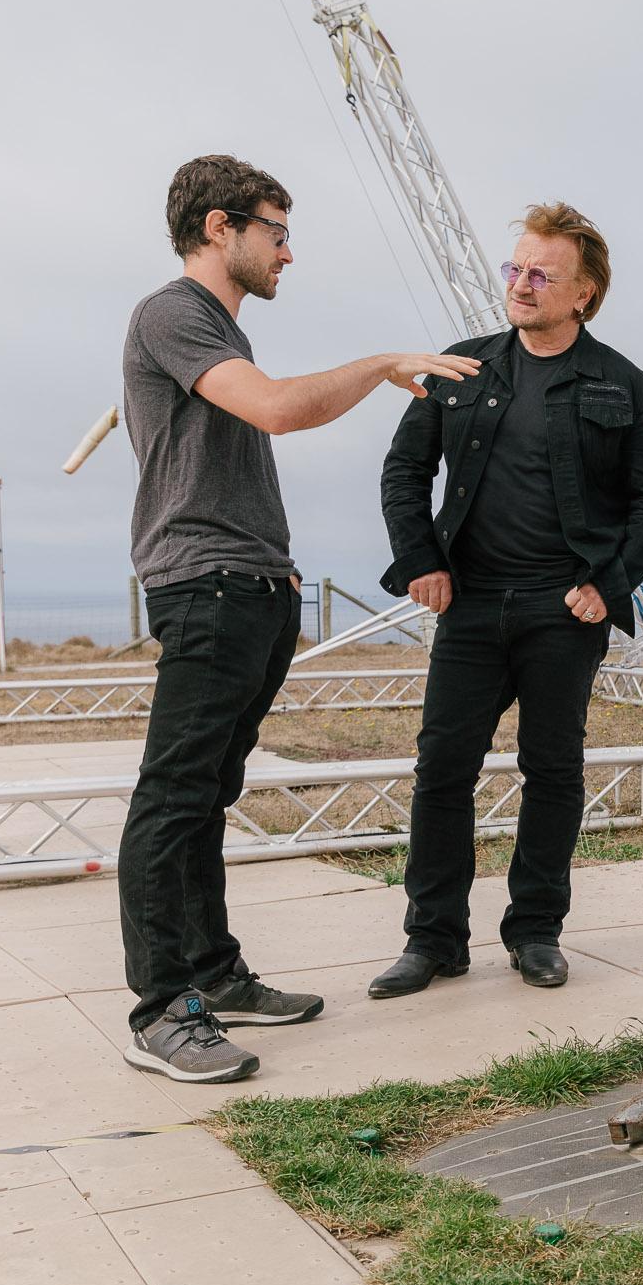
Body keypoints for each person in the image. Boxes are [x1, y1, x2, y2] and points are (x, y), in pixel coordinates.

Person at [118, 154, 479, 1082]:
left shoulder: (214, 330)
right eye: (276, 232)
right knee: (172, 800)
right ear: (220, 228)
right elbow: (277, 410)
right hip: (205, 584)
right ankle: (162, 1010)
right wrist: (383, 362)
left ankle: (214, 973)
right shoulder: (171, 313)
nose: (288, 252)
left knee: (207, 795)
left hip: (253, 587)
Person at [370, 202, 643, 999]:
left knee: (553, 770)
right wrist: (420, 560)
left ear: (584, 294)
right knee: (443, 770)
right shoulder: (461, 368)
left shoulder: (621, 382)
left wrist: (606, 586)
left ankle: (535, 931)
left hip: (561, 612)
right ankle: (432, 940)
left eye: (542, 274)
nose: (521, 283)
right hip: (469, 605)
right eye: (516, 268)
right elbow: (404, 471)